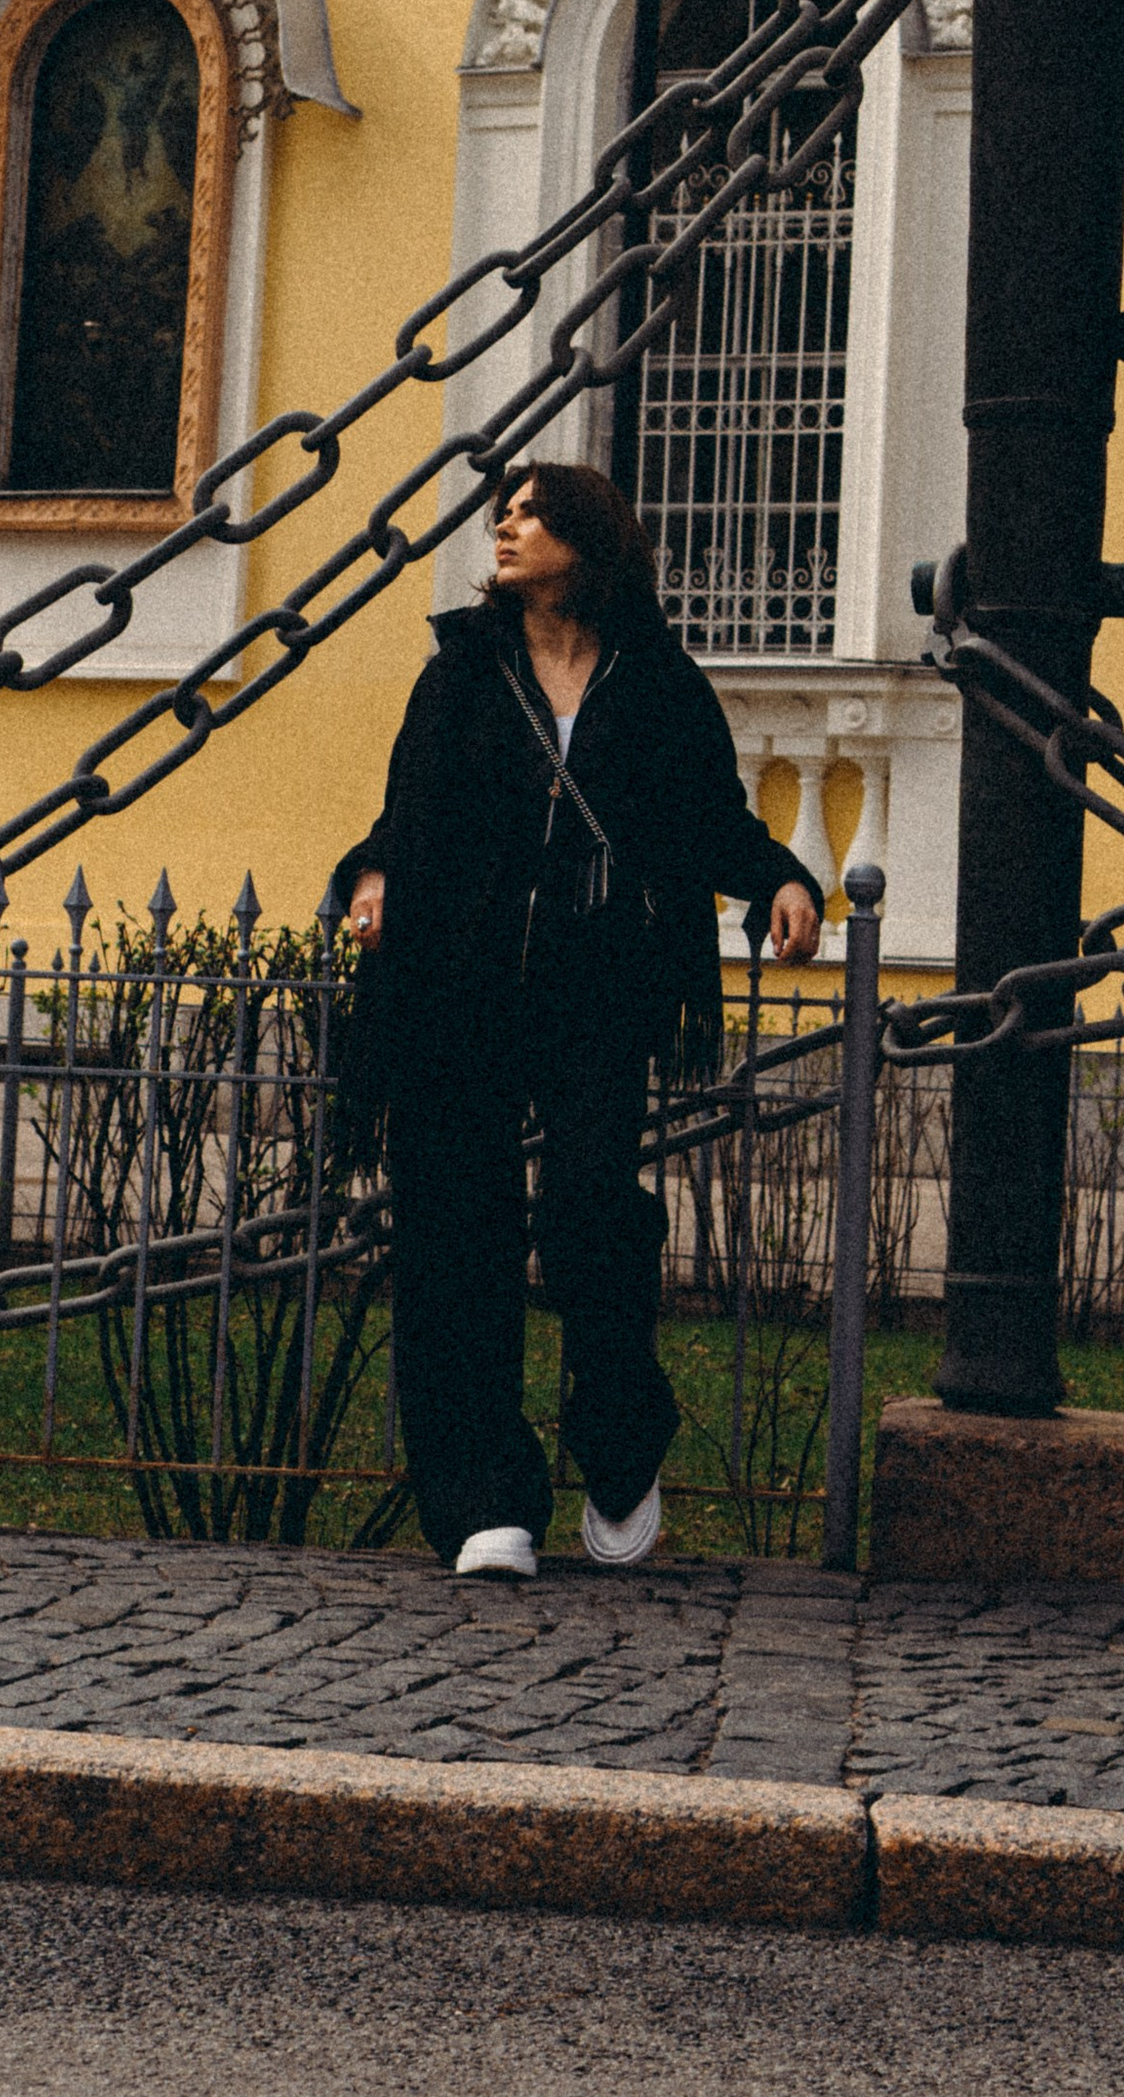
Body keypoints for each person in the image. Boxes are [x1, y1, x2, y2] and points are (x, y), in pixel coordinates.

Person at [335, 460, 824, 1579]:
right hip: (462, 984)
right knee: (458, 1225)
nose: (505, 529)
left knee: (594, 1216)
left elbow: (710, 817)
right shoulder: (462, 673)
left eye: (529, 512)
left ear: (587, 539)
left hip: (598, 983)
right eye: (501, 515)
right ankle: (482, 1498)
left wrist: (781, 877)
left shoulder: (653, 679)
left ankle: (616, 1438)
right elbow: (406, 808)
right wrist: (371, 875)